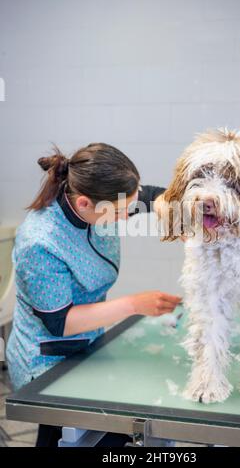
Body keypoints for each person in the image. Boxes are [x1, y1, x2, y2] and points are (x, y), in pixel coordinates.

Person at [6, 143, 181, 446]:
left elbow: (150, 197)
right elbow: (60, 323)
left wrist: (196, 208)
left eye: (130, 204)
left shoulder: (102, 198)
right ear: (85, 203)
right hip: (46, 362)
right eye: (119, 212)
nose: (128, 216)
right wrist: (134, 304)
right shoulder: (40, 242)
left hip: (87, 346)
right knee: (85, 434)